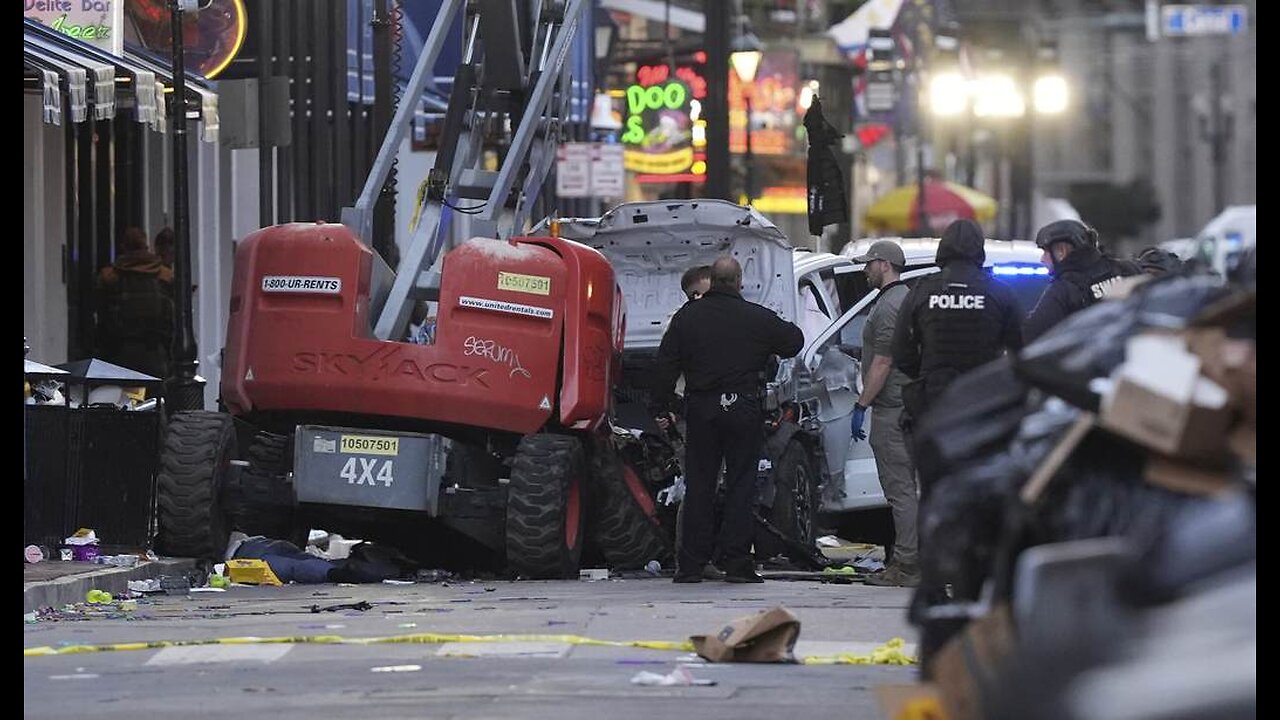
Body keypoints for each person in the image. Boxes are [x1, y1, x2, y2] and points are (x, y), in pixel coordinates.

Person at [651, 256, 804, 583]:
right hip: (744, 409)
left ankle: (691, 565)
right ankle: (737, 563)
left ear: (713, 281)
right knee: (741, 485)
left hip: (702, 410)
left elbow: (664, 367)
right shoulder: (756, 317)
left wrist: (662, 406)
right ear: (739, 282)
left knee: (700, 486)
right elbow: (794, 340)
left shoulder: (686, 318)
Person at [892, 219, 1023, 457]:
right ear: (979, 248)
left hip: (935, 403)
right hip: (984, 402)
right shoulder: (1000, 292)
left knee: (936, 481)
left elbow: (901, 351)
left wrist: (928, 374)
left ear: (944, 247)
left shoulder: (922, 291)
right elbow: (1021, 350)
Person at [847, 240, 919, 587]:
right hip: (906, 404)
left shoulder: (890, 305)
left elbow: (884, 361)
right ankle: (912, 559)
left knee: (900, 489)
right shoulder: (903, 299)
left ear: (885, 265)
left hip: (892, 407)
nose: (865, 269)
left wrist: (862, 404)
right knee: (909, 488)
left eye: (869, 263)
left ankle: (906, 565)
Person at [1022, 219, 1140, 342]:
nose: (1042, 259)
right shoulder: (1128, 269)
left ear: (1061, 251)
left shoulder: (1064, 290)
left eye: (1046, 252)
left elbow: (1031, 337)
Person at [95, 226, 175, 379]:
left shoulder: (109, 277)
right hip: (155, 353)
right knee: (156, 397)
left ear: (124, 247)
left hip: (119, 353)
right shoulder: (165, 276)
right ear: (146, 246)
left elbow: (102, 318)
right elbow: (171, 320)